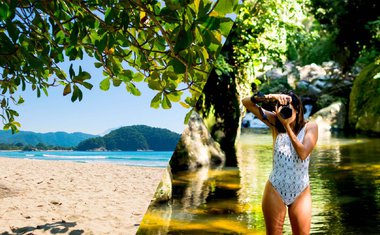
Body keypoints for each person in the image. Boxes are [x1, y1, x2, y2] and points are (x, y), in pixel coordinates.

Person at [242, 91, 318, 235]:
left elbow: (303, 153)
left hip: (301, 190)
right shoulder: (274, 122)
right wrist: (271, 97)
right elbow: (246, 102)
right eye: (282, 108)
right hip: (275, 187)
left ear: (297, 109)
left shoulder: (310, 127)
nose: (286, 112)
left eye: (289, 108)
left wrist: (287, 126)